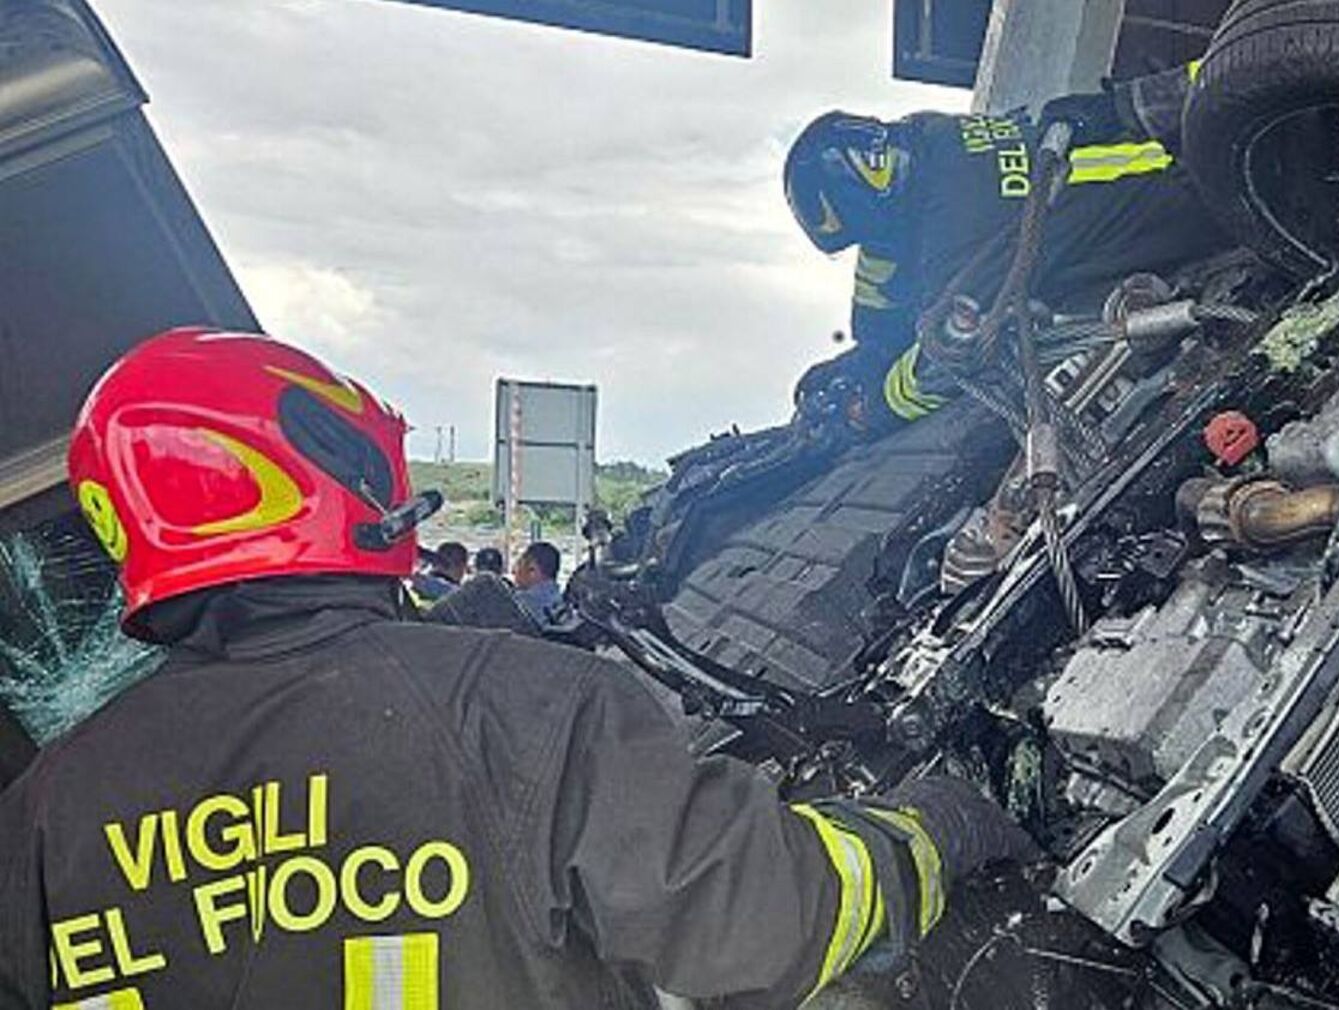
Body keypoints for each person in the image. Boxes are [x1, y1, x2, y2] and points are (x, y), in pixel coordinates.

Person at [0, 328, 1032, 1010]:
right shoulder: (516, 704)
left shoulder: (39, 815)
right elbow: (768, 921)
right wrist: (934, 828)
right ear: (340, 472)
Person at [783, 66, 1230, 429]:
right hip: (1191, 152)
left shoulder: (961, 244)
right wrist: (868, 352)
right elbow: (884, 263)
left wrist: (874, 409)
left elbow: (947, 356)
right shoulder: (934, 137)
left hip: (1196, 215)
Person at [512, 540, 564, 627]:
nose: (513, 571)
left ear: (532, 569)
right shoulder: (556, 597)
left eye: (518, 565)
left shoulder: (523, 604)